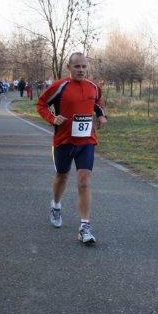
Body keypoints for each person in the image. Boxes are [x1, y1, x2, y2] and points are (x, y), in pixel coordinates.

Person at [36, 52, 107, 244]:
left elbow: (97, 101)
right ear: (69, 68)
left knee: (84, 182)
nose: (81, 70)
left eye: (84, 66)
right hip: (64, 141)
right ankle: (56, 205)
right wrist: (52, 118)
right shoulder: (59, 86)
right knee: (62, 176)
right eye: (77, 66)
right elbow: (41, 104)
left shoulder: (93, 85)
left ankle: (84, 226)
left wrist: (101, 115)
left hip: (86, 142)